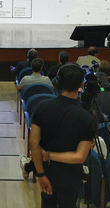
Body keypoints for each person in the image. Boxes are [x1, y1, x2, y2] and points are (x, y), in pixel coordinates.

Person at [29, 63, 95, 207]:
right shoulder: (87, 117)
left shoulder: (42, 107)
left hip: (47, 172)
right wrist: (49, 155)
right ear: (81, 84)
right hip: (71, 176)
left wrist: (40, 174)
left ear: (58, 82)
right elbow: (79, 157)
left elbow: (34, 143)